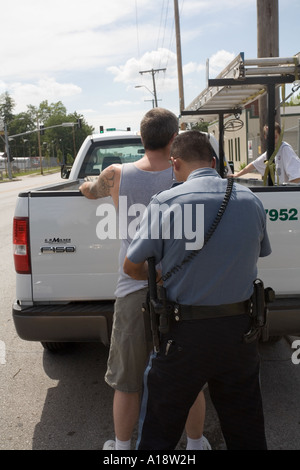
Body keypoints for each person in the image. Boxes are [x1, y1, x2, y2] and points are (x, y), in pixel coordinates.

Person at [123, 130, 272, 450]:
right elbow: (259, 252)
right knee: (246, 429)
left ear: (174, 164)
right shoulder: (251, 200)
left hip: (183, 335)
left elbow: (132, 267)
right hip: (240, 334)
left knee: (157, 435)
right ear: (215, 162)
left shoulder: (166, 202)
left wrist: (165, 277)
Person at [79, 109, 210, 451]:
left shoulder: (115, 174)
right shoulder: (189, 176)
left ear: (141, 138)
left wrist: (86, 184)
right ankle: (195, 444)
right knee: (188, 378)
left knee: (127, 381)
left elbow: (88, 191)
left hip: (133, 289)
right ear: (173, 139)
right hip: (183, 291)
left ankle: (123, 448)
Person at [233, 122, 300, 183]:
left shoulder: (285, 149)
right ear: (265, 137)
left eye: (275, 137)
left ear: (280, 135)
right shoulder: (271, 152)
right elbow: (254, 164)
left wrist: (287, 192)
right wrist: (237, 175)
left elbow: (297, 177)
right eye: (269, 137)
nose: (272, 140)